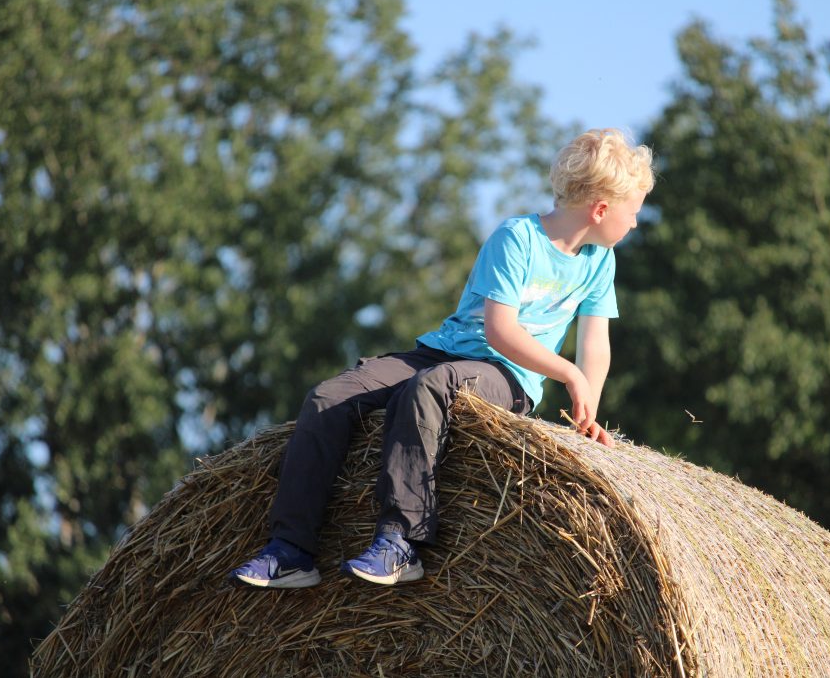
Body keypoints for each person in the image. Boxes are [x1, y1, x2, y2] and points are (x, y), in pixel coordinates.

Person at [231, 128, 655, 588]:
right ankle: (291, 549)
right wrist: (569, 373)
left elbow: (596, 341)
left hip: (507, 376)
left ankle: (400, 541)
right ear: (601, 209)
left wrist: (587, 404)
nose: (634, 223)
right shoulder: (518, 238)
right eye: (633, 212)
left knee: (430, 388)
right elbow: (500, 328)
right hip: (440, 352)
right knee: (328, 397)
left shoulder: (599, 262)